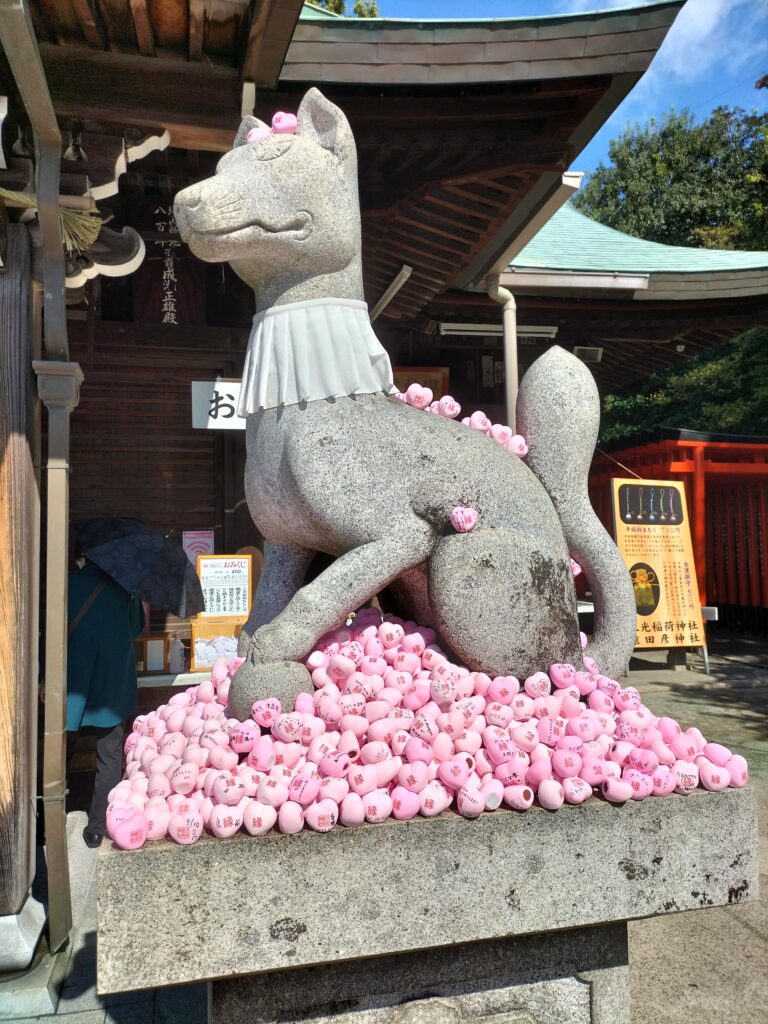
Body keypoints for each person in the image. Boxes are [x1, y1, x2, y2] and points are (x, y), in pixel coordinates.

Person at [67, 553, 145, 848]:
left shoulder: (70, 585)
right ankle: (98, 826)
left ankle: (48, 819)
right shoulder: (125, 588)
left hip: (73, 680)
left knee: (62, 749)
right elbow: (135, 628)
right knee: (109, 755)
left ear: (83, 557)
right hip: (113, 682)